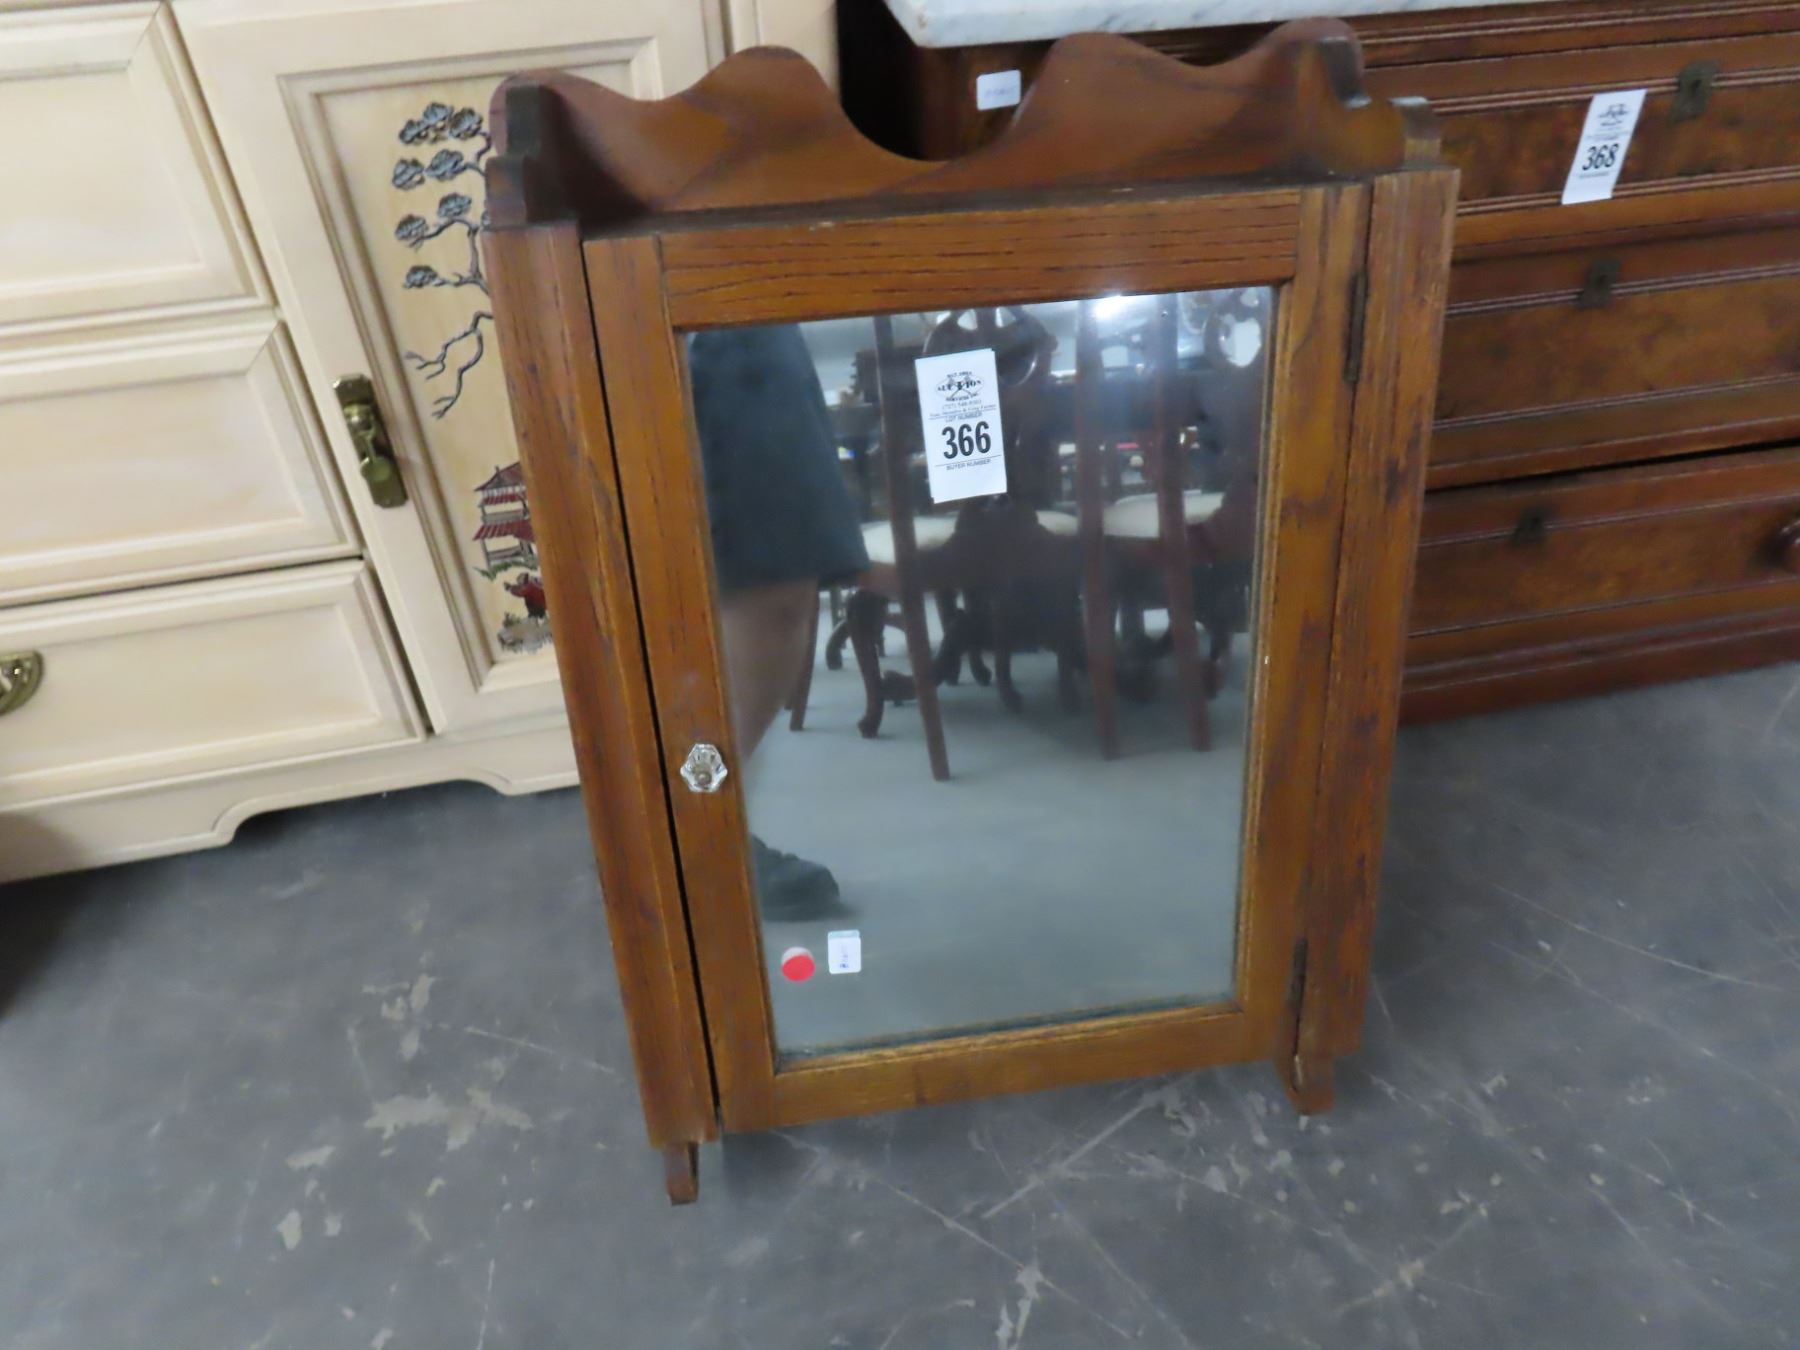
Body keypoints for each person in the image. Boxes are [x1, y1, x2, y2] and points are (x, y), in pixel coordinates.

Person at [688, 324, 868, 921]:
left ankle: (703, 815)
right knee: (769, 581)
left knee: (771, 577)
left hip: (736, 307)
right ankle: (699, 820)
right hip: (708, 317)